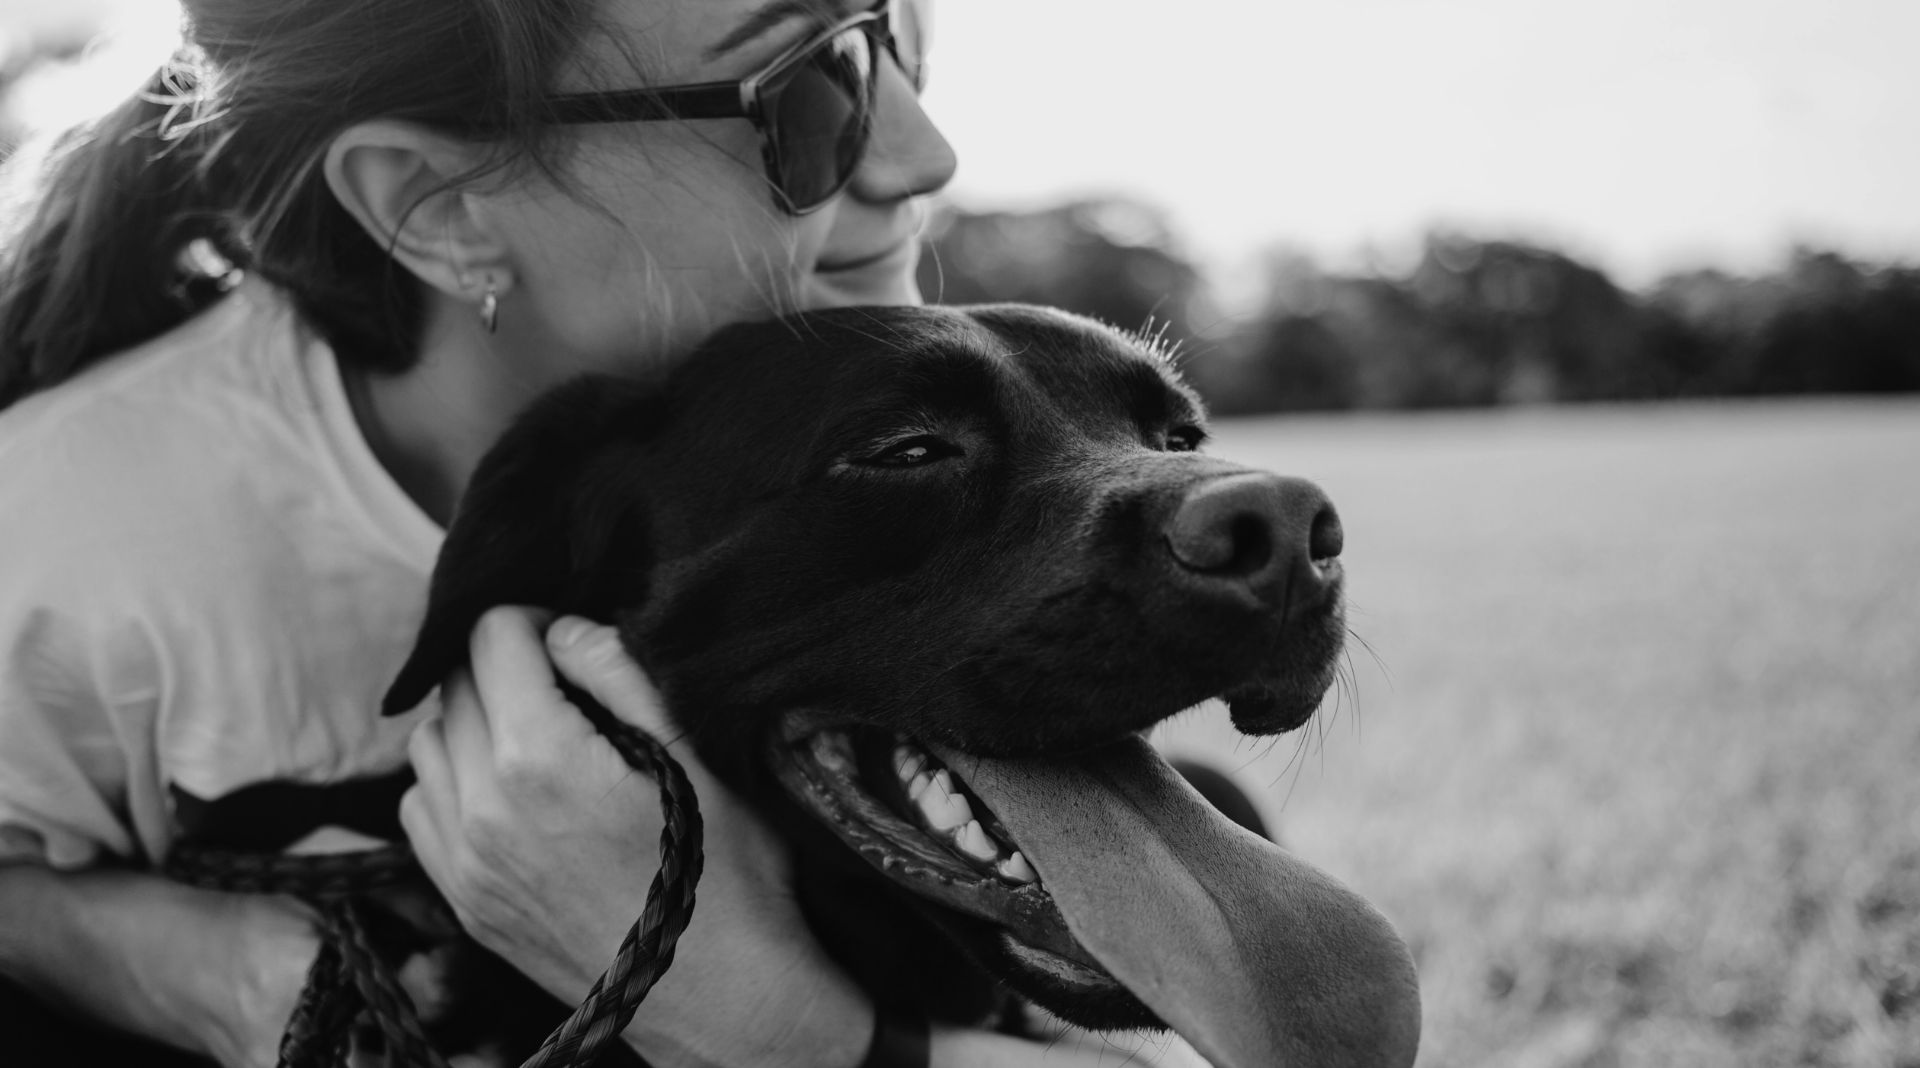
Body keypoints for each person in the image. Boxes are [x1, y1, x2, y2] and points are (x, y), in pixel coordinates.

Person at [0, 2, 1208, 1065]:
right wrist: (219, 974)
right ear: (439, 208)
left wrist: (761, 1023)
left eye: (898, 34)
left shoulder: (819, 377)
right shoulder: (66, 533)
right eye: (808, 90)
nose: (921, 153)